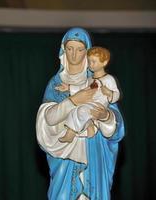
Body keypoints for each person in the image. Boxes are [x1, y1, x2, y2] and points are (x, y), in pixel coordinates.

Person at [36, 28, 124, 200]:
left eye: (79, 49)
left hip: (94, 154)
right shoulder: (56, 84)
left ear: (87, 52)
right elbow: (48, 118)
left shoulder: (97, 82)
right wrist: (73, 100)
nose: (74, 55)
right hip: (65, 159)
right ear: (63, 50)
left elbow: (116, 129)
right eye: (70, 49)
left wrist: (105, 117)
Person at [56, 46, 120, 143]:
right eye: (89, 61)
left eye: (94, 62)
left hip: (98, 106)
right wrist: (68, 87)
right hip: (88, 104)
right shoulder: (90, 79)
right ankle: (90, 126)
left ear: (104, 62)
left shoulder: (108, 79)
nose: (91, 64)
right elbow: (82, 88)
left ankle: (72, 134)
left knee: (81, 110)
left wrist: (109, 93)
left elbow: (116, 94)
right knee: (74, 111)